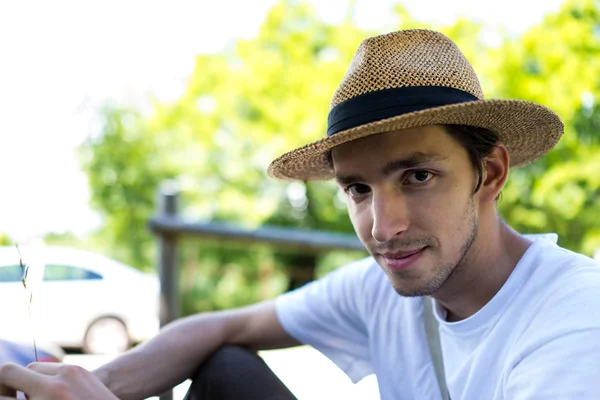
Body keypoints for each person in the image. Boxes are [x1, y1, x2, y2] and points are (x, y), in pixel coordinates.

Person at [1, 28, 600, 400]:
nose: (383, 227)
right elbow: (222, 327)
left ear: (489, 174)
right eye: (358, 190)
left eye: (418, 176)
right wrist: (82, 385)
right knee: (225, 366)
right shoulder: (380, 292)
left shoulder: (574, 320)